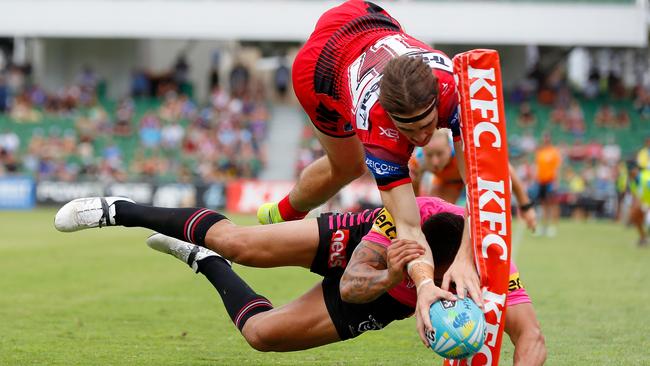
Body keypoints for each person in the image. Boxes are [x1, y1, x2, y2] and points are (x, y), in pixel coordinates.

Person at [54, 196, 546, 365]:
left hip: (388, 300)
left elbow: (531, 337)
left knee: (261, 336)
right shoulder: (406, 221)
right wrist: (397, 273)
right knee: (243, 244)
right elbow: (354, 282)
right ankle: (118, 210)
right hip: (365, 256)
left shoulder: (493, 265)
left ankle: (202, 261)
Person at [253, 0, 477, 339]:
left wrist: (465, 258)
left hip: (363, 16)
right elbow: (407, 224)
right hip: (320, 67)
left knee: (468, 165)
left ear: (437, 101)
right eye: (408, 129)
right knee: (348, 167)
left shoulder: (457, 89)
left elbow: (481, 185)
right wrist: (425, 284)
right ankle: (284, 214)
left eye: (427, 125)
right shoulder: (377, 130)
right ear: (389, 118)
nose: (420, 138)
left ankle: (283, 216)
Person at [409, 129, 537, 231]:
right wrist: (415, 183)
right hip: (447, 183)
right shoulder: (417, 162)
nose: (435, 161)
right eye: (429, 155)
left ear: (449, 147)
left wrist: (525, 206)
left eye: (440, 154)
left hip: (474, 178)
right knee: (434, 222)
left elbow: (505, 168)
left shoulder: (466, 152)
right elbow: (416, 200)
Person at [534, 133, 562, 237]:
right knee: (543, 204)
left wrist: (556, 182)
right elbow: (538, 167)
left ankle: (552, 227)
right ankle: (543, 227)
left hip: (550, 181)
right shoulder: (540, 152)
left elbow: (557, 168)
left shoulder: (554, 152)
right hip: (541, 181)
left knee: (552, 204)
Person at [628, 161, 650, 246]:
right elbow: (636, 196)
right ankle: (643, 238)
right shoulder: (632, 182)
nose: (631, 172)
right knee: (634, 216)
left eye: (632, 170)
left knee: (649, 222)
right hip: (645, 204)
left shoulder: (646, 178)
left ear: (636, 170)